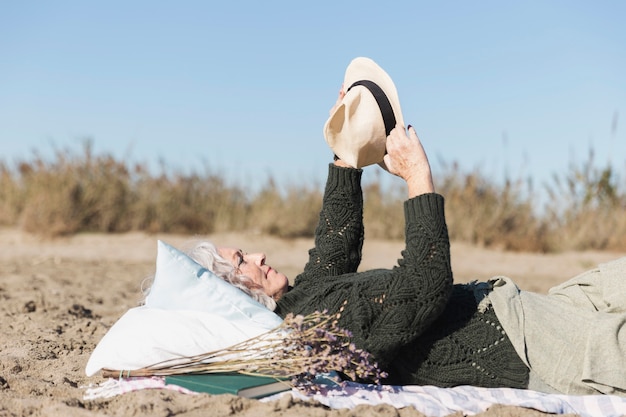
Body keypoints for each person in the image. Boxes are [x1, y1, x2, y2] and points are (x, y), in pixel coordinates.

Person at [184, 58, 626, 396]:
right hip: (527, 344)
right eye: (241, 261)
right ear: (235, 292)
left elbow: (334, 247)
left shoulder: (302, 304)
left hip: (519, 310)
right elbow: (425, 283)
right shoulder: (314, 328)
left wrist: (348, 150)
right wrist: (419, 179)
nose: (258, 256)